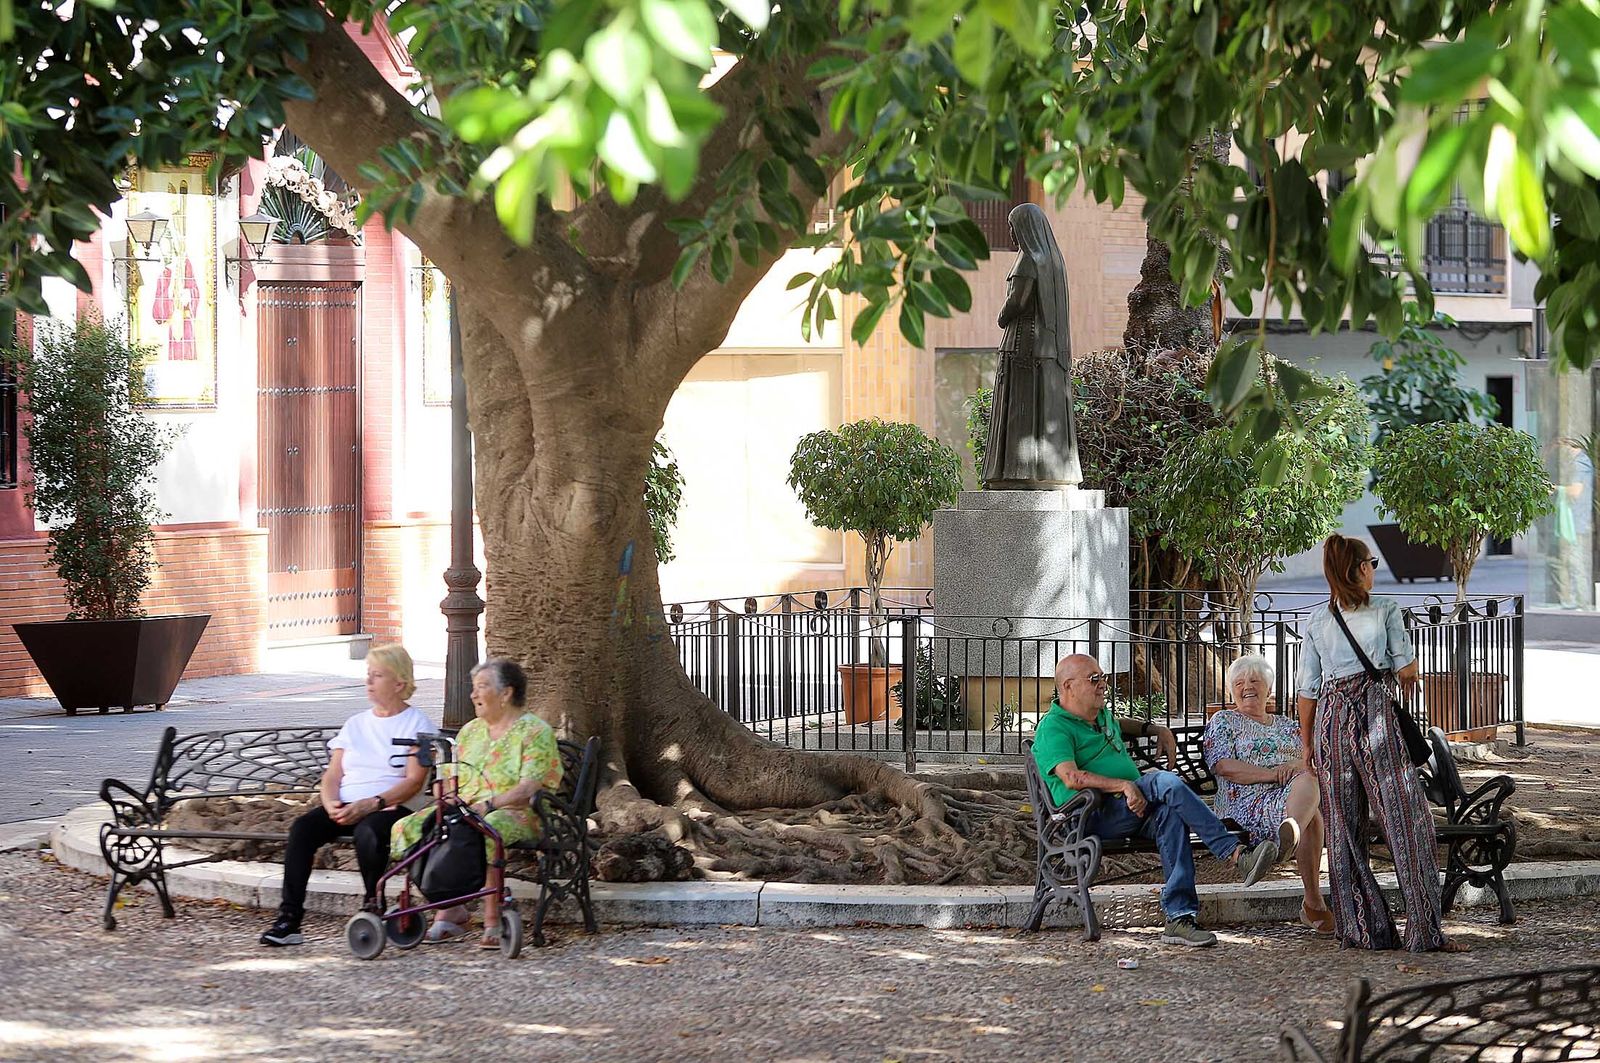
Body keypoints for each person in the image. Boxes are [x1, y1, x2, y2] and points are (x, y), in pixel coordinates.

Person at [1031, 653, 1279, 948]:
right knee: (1164, 781)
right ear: (1068, 686)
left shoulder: (1098, 714)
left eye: (1103, 677)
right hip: (1087, 816)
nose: (1103, 685)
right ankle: (1236, 854)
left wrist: (1154, 729)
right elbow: (1072, 778)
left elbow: (1120, 724)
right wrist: (1123, 785)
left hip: (1126, 810)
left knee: (1169, 814)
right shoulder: (1054, 728)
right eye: (1094, 679)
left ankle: (1179, 918)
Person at [1295, 533, 1463, 953]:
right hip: (1374, 717)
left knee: (1344, 827)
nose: (1373, 569)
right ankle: (1424, 931)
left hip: (1331, 723)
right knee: (1407, 823)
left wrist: (1307, 745)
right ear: (1357, 569)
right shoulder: (1386, 609)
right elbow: (1406, 671)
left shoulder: (1317, 620)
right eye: (1369, 562)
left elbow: (1307, 692)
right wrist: (1407, 680)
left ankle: (1362, 930)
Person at [260, 644, 434, 946]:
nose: (368, 682)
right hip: (346, 804)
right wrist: (329, 804)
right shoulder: (355, 724)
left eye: (377, 675)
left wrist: (373, 803)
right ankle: (289, 920)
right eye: (368, 675)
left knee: (369, 831)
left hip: (392, 808)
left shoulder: (417, 724)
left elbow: (414, 782)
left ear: (399, 683)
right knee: (302, 829)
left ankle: (372, 904)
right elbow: (333, 775)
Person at [390, 657, 562, 949]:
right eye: (474, 687)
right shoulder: (470, 731)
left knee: (484, 827)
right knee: (407, 827)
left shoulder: (534, 732)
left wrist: (488, 805)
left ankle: (492, 919)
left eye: (482, 687)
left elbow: (529, 787)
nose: (473, 694)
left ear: (506, 693)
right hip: (466, 811)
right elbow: (448, 776)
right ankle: (448, 907)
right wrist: (446, 795)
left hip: (517, 812)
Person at [1202, 654, 1332, 934]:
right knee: (1313, 816)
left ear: (1269, 689)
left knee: (1308, 781)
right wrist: (1273, 774)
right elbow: (1223, 766)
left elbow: (1313, 758)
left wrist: (1295, 766)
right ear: (1231, 691)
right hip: (1245, 799)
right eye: (1239, 682)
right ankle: (1313, 902)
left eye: (1255, 680)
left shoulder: (1287, 725)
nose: (1247, 686)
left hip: (1292, 793)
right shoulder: (1223, 721)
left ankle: (1289, 834)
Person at [981, 202, 1083, 489]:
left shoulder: (1028, 260)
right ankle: (1052, 474)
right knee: (1048, 410)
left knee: (1022, 409)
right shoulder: (1055, 261)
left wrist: (1001, 316)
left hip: (1023, 347)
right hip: (1051, 351)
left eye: (1013, 228)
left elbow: (1016, 301)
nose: (1011, 235)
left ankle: (1017, 473)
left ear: (1024, 229)